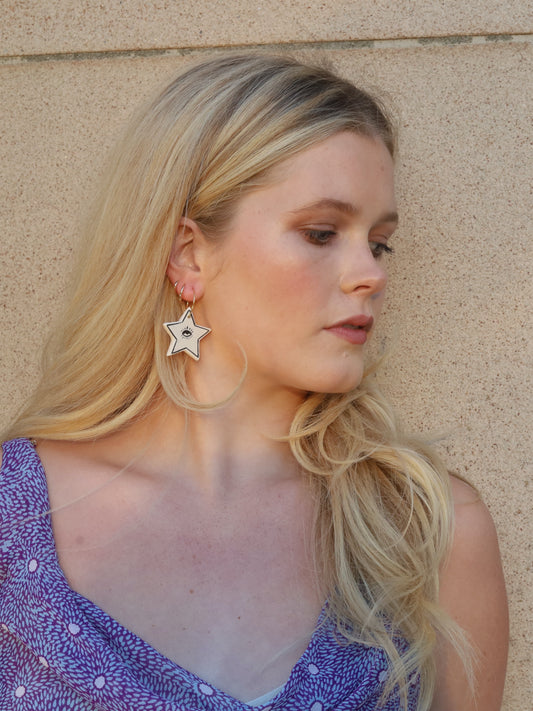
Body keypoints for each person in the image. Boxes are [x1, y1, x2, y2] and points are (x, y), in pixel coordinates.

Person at [0, 53, 508, 711]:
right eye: (321, 233)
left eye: (378, 242)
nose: (371, 274)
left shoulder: (428, 531)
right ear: (188, 254)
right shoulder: (15, 515)